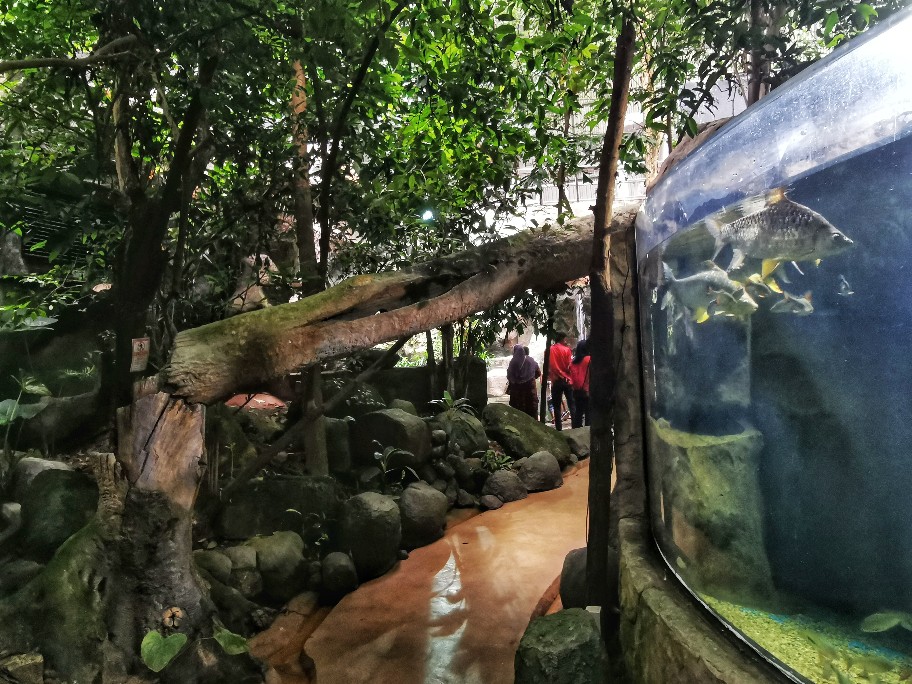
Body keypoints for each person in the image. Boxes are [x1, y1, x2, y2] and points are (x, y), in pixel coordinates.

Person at [547, 332, 574, 430]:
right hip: (566, 380)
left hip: (556, 381)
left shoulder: (549, 350)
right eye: (565, 339)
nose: (566, 341)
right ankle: (575, 426)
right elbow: (569, 366)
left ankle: (559, 428)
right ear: (563, 339)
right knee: (571, 403)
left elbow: (549, 366)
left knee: (556, 405)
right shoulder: (567, 350)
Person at [506, 344, 540, 418]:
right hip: (530, 392)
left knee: (519, 414)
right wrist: (530, 378)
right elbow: (538, 373)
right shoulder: (531, 360)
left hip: (517, 395)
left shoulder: (513, 362)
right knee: (532, 412)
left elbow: (509, 376)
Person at [570, 339, 591, 428]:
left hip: (576, 390)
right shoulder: (589, 359)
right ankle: (587, 432)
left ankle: (576, 431)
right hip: (587, 390)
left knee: (578, 413)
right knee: (589, 413)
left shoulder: (573, 362)